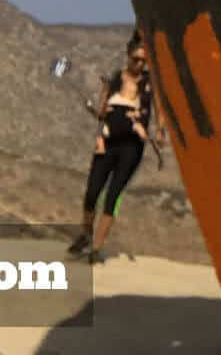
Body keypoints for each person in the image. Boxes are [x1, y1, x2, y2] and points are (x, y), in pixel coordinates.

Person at [69, 29, 155, 265]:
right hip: (107, 143)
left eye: (144, 61)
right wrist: (98, 114)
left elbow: (158, 112)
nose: (140, 64)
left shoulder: (149, 84)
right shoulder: (115, 79)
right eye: (136, 59)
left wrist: (156, 132)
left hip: (131, 147)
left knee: (112, 195)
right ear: (128, 56)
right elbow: (101, 113)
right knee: (91, 193)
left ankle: (97, 248)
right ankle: (86, 234)